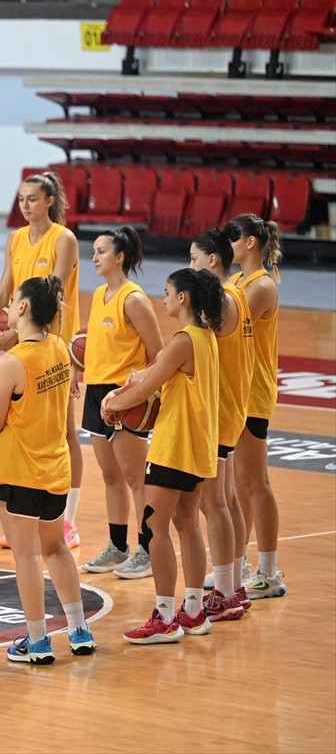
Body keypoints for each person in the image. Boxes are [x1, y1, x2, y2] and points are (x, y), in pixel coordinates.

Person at [0, 276, 96, 665]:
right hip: (55, 470)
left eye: (13, 299)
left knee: (26, 558)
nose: (8, 303)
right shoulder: (59, 348)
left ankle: (37, 641)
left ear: (22, 309)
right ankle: (78, 630)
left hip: (20, 472)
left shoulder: (11, 363)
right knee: (55, 549)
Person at [104, 268, 222, 644]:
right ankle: (193, 610)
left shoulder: (183, 341)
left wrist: (112, 406)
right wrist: (123, 394)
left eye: (168, 292)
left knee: (154, 528)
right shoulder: (206, 338)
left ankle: (165, 617)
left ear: (183, 298)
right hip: (199, 446)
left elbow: (143, 392)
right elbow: (145, 375)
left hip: (174, 447)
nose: (165, 298)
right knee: (188, 524)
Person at [0, 173, 83, 549]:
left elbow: (52, 296)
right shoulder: (15, 239)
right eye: (21, 199)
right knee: (23, 425)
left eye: (32, 199)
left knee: (64, 431)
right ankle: (26, 517)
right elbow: (6, 284)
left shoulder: (65, 239)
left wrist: (14, 333)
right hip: (22, 342)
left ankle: (67, 521)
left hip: (53, 343)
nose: (25, 205)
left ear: (49, 200)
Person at [78, 228, 163, 580]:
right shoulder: (99, 294)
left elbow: (159, 354)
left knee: (134, 476)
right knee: (110, 475)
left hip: (124, 395)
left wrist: (135, 390)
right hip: (96, 392)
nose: (94, 257)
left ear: (120, 257)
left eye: (101, 251)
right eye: (94, 251)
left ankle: (147, 548)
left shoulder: (134, 299)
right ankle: (118, 546)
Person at [189, 227, 253, 621]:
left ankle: (226, 592)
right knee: (225, 500)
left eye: (194, 259)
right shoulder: (238, 294)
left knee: (214, 504)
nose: (190, 266)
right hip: (232, 408)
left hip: (218, 410)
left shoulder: (220, 303)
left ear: (212, 260)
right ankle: (234, 583)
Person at [230, 214, 287, 600]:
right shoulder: (236, 281)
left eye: (233, 238)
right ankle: (241, 566)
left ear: (250, 242)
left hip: (254, 392)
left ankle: (269, 572)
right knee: (239, 486)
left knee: (255, 483)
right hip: (236, 390)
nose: (228, 244)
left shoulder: (261, 286)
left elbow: (225, 321)